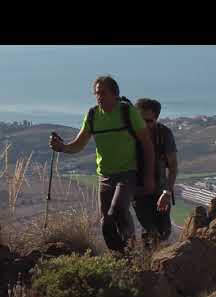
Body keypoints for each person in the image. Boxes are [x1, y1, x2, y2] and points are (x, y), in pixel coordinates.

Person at [49, 76, 155, 253]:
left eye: (103, 93)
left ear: (115, 94)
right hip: (105, 176)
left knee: (118, 209)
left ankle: (131, 248)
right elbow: (79, 144)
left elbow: (147, 145)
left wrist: (149, 177)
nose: (99, 97)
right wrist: (61, 147)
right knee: (106, 222)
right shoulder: (93, 115)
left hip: (128, 172)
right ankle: (119, 256)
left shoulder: (127, 112)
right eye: (97, 93)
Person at [133, 98, 178, 247]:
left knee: (164, 230)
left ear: (156, 119)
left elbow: (173, 167)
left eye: (148, 121)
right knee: (150, 230)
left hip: (160, 189)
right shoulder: (130, 135)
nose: (144, 125)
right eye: (140, 120)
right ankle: (147, 263)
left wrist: (167, 192)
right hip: (139, 191)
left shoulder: (164, 134)